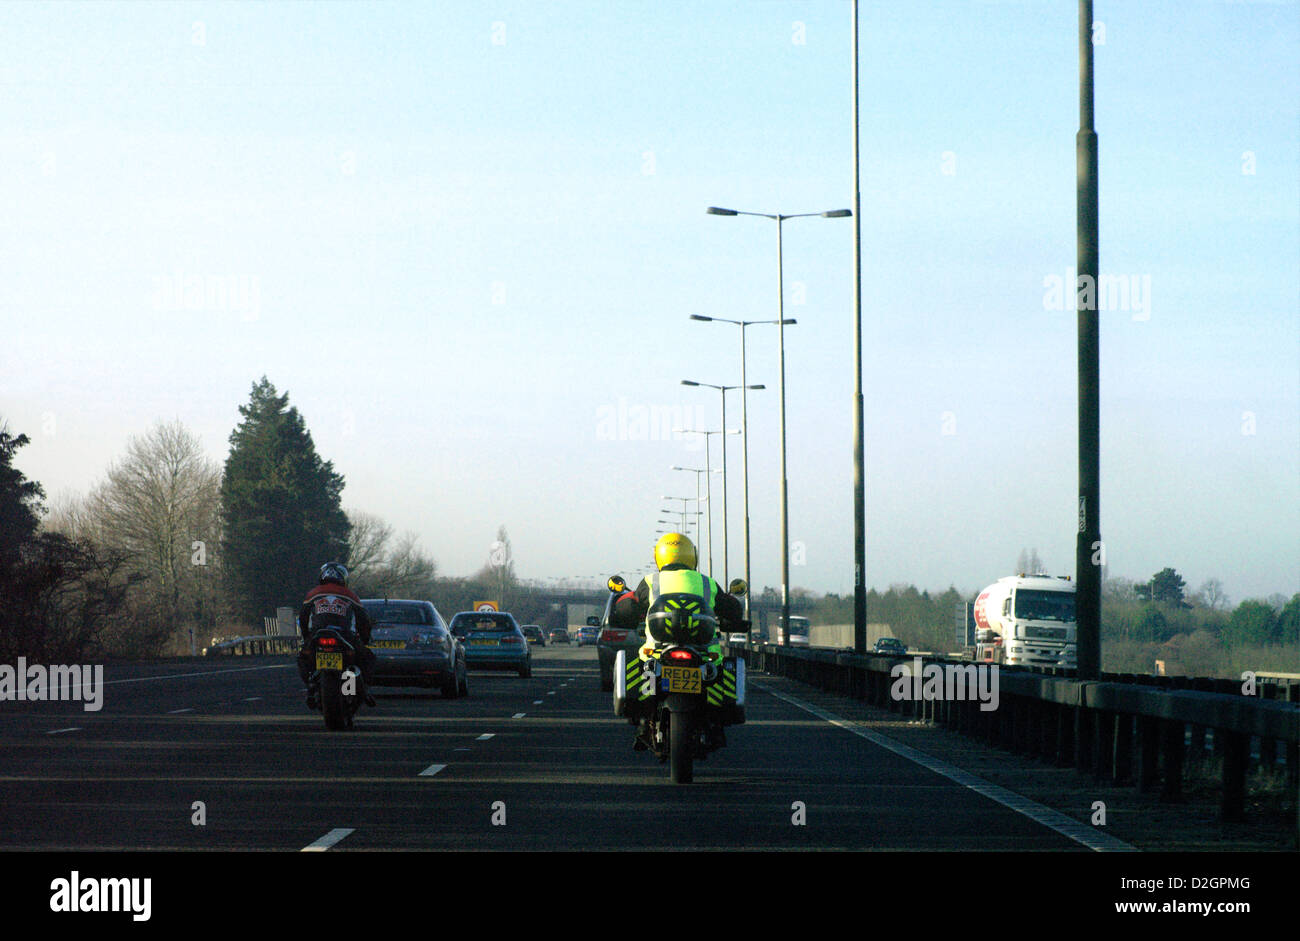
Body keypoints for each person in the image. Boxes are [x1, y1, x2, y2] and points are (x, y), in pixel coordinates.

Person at [611, 532, 744, 749]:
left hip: (656, 651)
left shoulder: (651, 581)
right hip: (703, 652)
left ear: (660, 556)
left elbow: (629, 604)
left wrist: (621, 609)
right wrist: (734, 616)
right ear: (692, 556)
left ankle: (644, 723)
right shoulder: (706, 582)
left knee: (643, 675)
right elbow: (731, 608)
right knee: (720, 679)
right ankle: (715, 725)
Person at [297, 562, 376, 708]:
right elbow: (363, 620)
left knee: (303, 657)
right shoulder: (351, 595)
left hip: (317, 635)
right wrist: (364, 639)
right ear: (343, 578)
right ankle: (362, 691)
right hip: (345, 635)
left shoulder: (312, 593)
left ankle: (311, 685)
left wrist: (306, 636)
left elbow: (303, 617)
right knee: (366, 657)